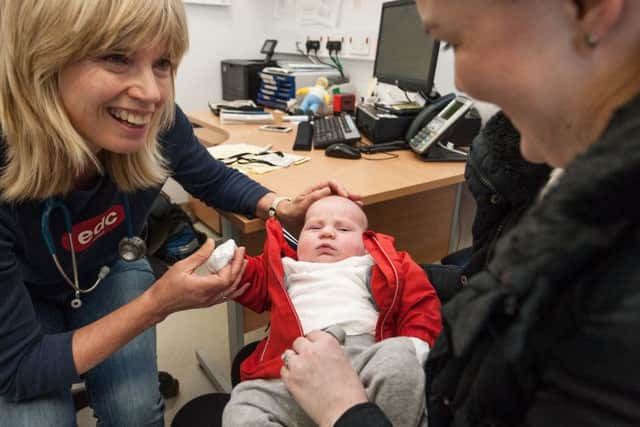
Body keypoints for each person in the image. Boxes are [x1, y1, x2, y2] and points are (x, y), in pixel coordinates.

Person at [277, 1, 640, 426]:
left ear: (593, 10)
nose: (462, 82)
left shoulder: (616, 312)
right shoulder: (551, 178)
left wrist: (345, 410)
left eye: (452, 43)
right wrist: (384, 271)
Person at [0, 1, 358, 425]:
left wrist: (279, 206)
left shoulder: (159, 122)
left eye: (163, 63)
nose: (152, 94)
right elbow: (21, 368)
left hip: (106, 268)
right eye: (117, 57)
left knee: (134, 411)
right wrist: (156, 304)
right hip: (24, 294)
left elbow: (208, 175)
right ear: (41, 58)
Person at [222, 196, 441, 427]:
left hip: (363, 359)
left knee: (401, 359)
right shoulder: (287, 267)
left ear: (365, 243)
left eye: (343, 228)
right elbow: (252, 281)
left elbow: (419, 301)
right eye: (314, 227)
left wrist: (416, 342)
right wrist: (231, 262)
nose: (326, 233)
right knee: (241, 405)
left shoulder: (379, 264)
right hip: (293, 367)